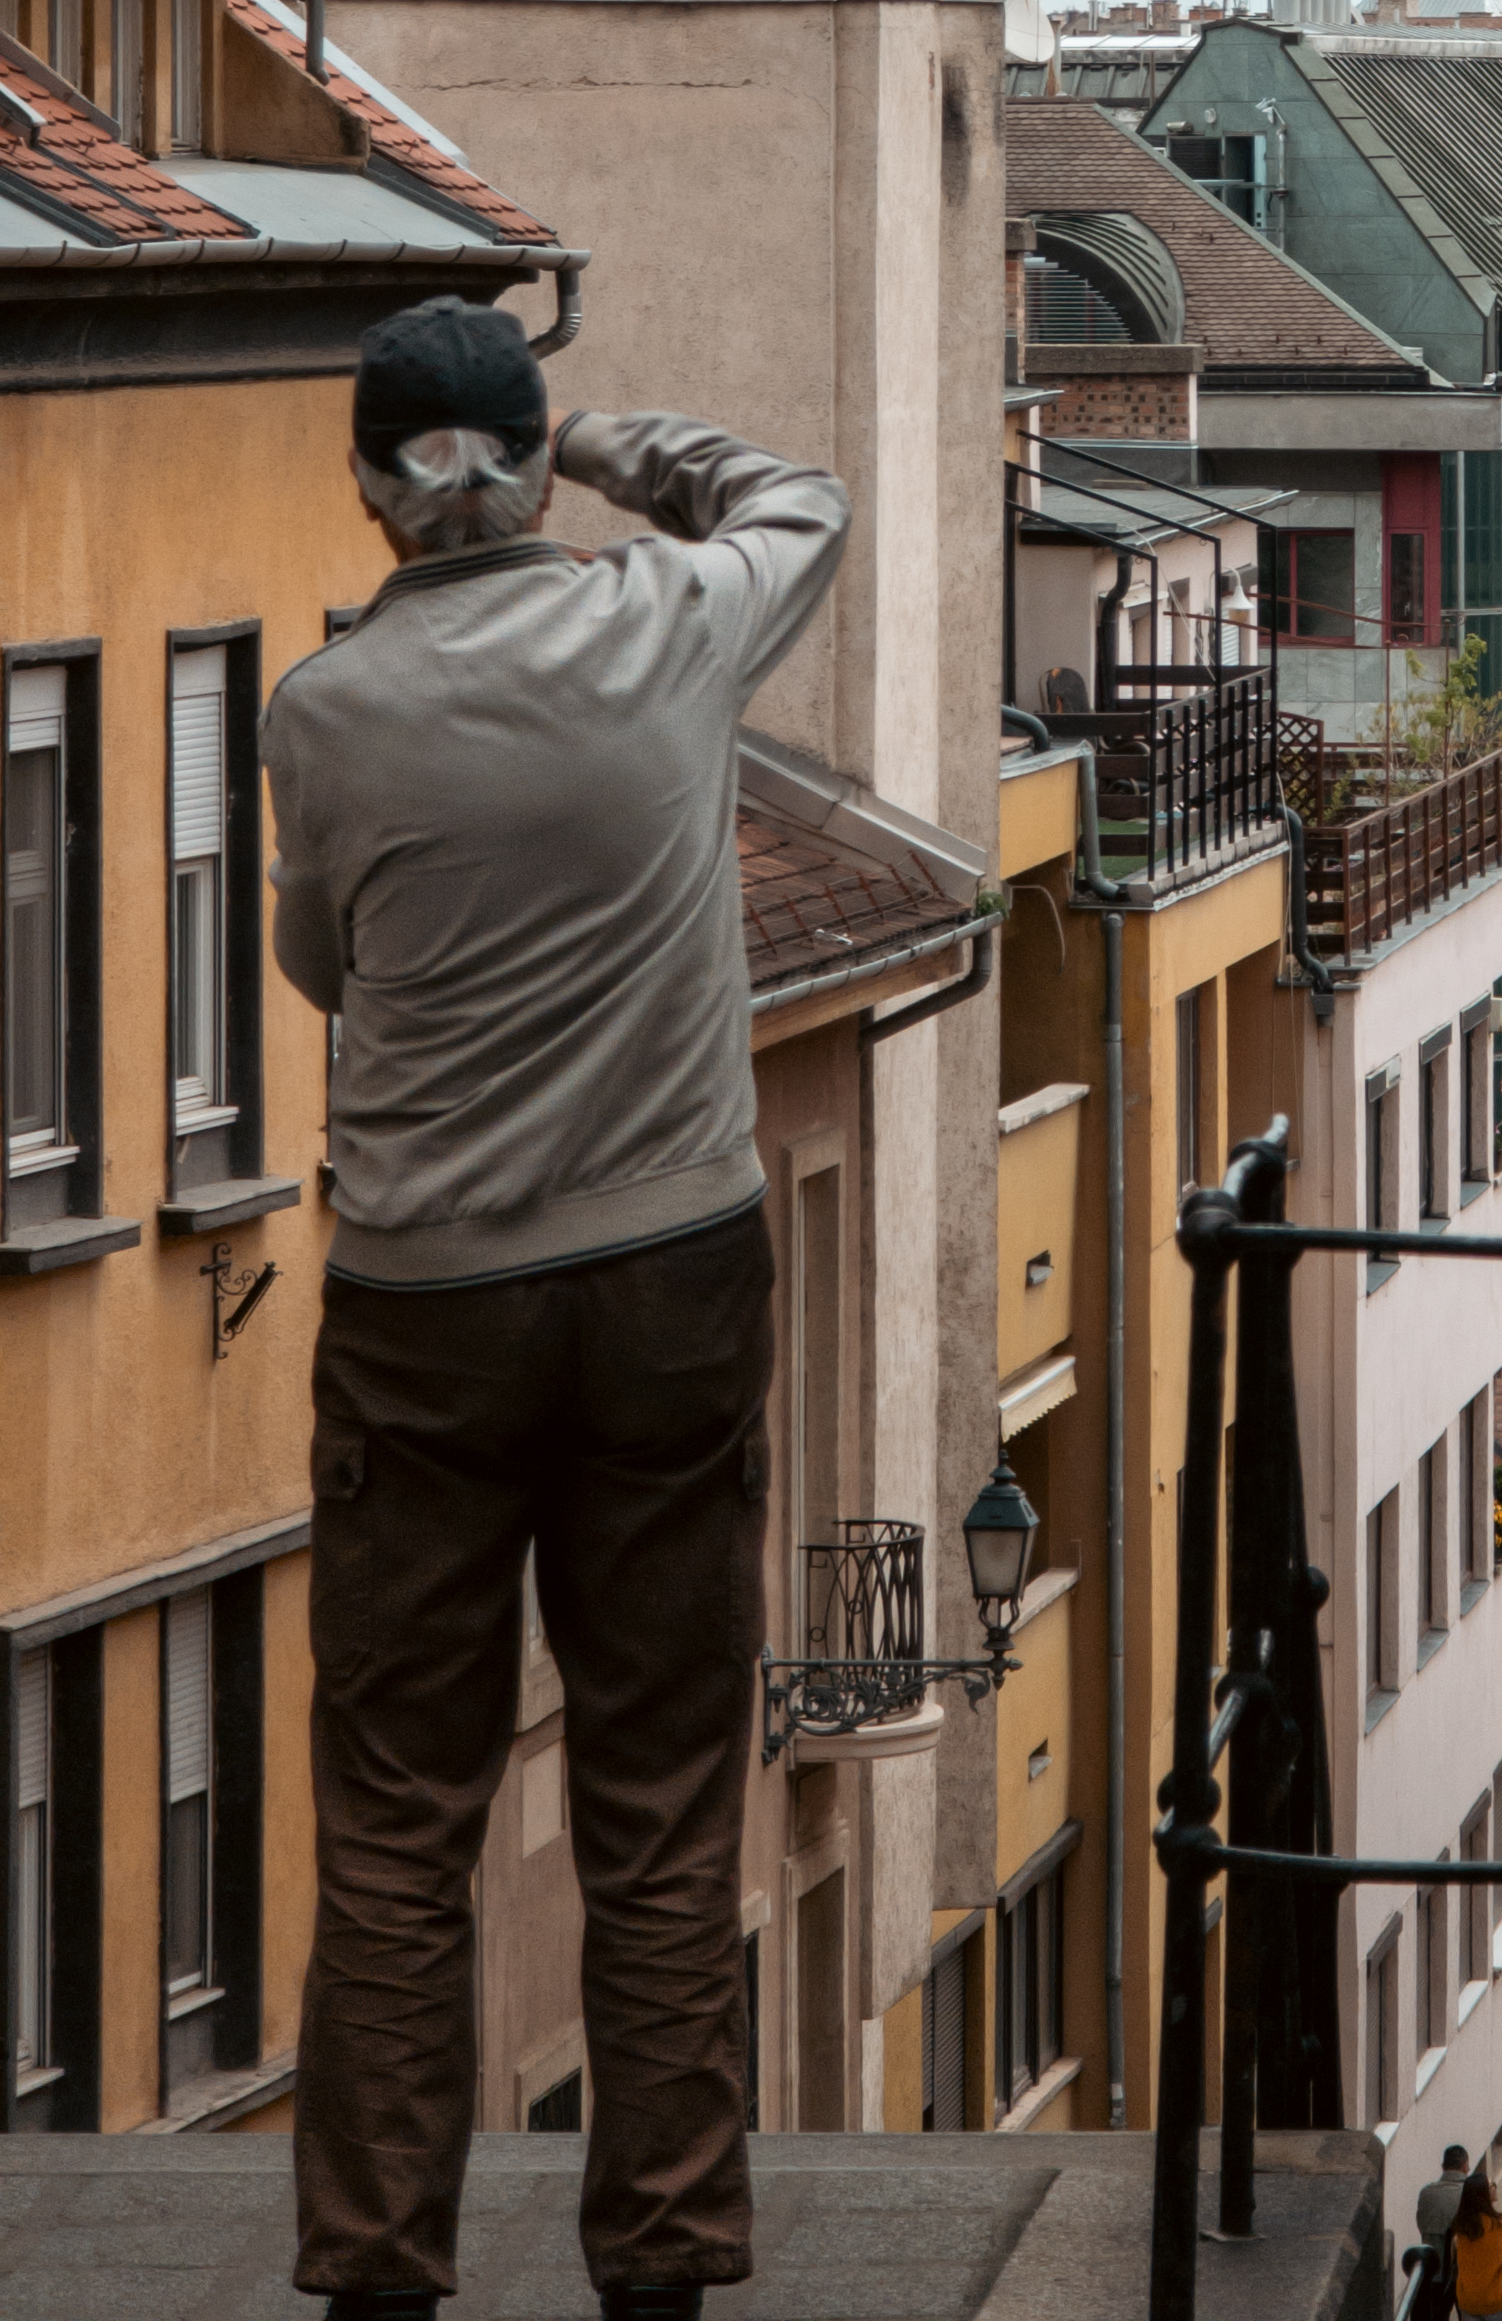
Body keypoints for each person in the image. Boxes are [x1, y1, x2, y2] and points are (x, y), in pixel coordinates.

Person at [264, 300, 849, 2321]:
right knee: (663, 1785)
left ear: (365, 481)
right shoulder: (670, 617)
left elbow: (323, 960)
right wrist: (601, 434)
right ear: (525, 463)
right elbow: (804, 498)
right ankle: (666, 2263)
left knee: (403, 1810)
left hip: (426, 1295)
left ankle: (376, 2272)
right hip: (672, 1271)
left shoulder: (320, 712)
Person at [1409, 2143, 1472, 2318]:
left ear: (1443, 2167)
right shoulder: (1470, 2194)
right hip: (1463, 2272)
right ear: (1465, 2166)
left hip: (1433, 2271)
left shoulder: (1426, 2193)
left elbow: (1421, 2224)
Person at [1449, 2166, 1502, 2316]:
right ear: (1485, 2194)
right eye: (1491, 2185)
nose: (1494, 2188)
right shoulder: (1500, 2227)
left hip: (1468, 2300)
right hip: (1496, 2299)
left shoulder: (1460, 2229)